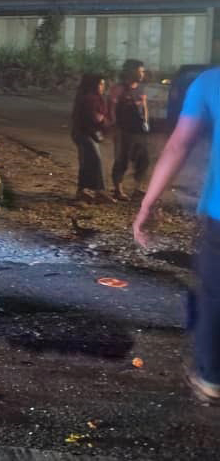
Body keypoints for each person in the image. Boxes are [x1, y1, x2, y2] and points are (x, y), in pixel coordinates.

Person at [133, 66, 219, 403]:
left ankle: (212, 378)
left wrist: (147, 205)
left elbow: (178, 146)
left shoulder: (211, 82)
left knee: (214, 296)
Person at [109, 59, 150, 200]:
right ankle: (118, 189)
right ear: (131, 71)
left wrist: (145, 122)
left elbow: (144, 107)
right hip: (123, 129)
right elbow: (112, 108)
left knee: (143, 159)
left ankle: (138, 188)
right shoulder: (119, 88)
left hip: (138, 130)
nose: (142, 74)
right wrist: (115, 126)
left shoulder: (140, 88)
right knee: (122, 159)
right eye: (140, 71)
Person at [71, 73, 113, 202]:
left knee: (87, 162)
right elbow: (94, 117)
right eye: (100, 84)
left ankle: (82, 191)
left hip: (85, 133)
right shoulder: (90, 98)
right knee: (95, 160)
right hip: (85, 133)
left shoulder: (92, 97)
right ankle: (99, 191)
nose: (102, 87)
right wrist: (103, 120)